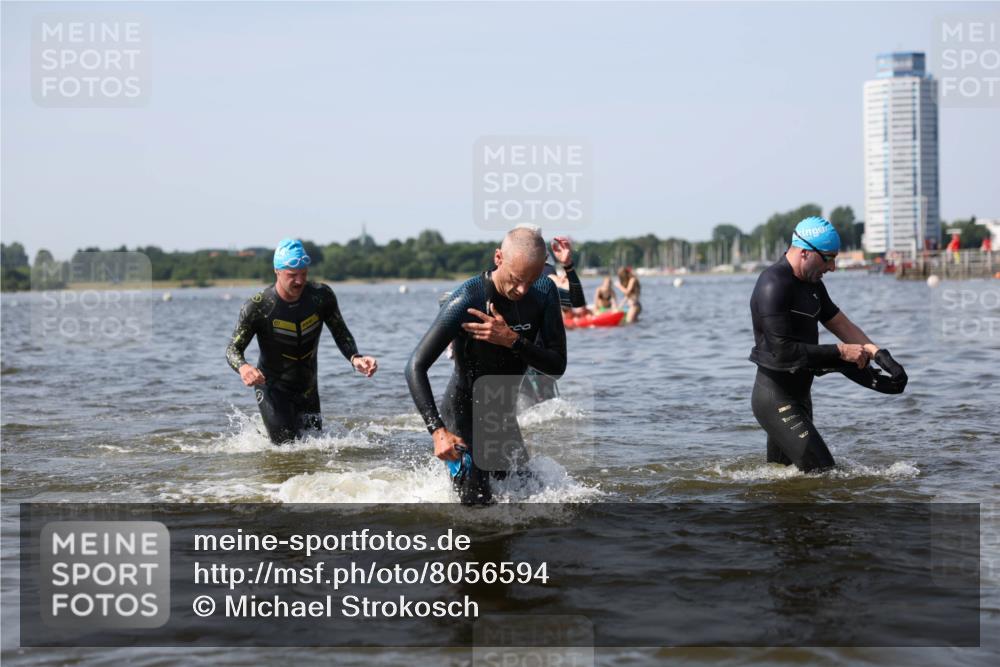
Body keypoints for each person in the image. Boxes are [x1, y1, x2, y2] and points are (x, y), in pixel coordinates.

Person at [405, 227, 567, 505]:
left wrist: (513, 341)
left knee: (529, 502)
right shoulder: (467, 299)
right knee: (477, 508)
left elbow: (556, 366)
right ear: (498, 258)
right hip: (463, 418)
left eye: (532, 279)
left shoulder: (544, 291)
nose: (522, 289)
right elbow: (415, 366)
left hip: (503, 420)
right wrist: (438, 431)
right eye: (517, 279)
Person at [749, 216, 907, 472]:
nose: (833, 267)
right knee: (824, 474)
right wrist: (842, 352)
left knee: (782, 480)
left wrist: (880, 355)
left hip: (800, 396)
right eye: (828, 258)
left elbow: (842, 325)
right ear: (804, 252)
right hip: (774, 398)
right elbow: (783, 350)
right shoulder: (773, 284)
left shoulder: (813, 285)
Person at [226, 238, 378, 444]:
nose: (299, 281)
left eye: (304, 274)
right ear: (277, 271)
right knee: (286, 448)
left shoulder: (321, 296)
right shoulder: (258, 306)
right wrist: (243, 367)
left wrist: (355, 357)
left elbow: (340, 331)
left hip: (308, 389)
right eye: (292, 275)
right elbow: (233, 349)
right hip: (273, 390)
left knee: (314, 452)